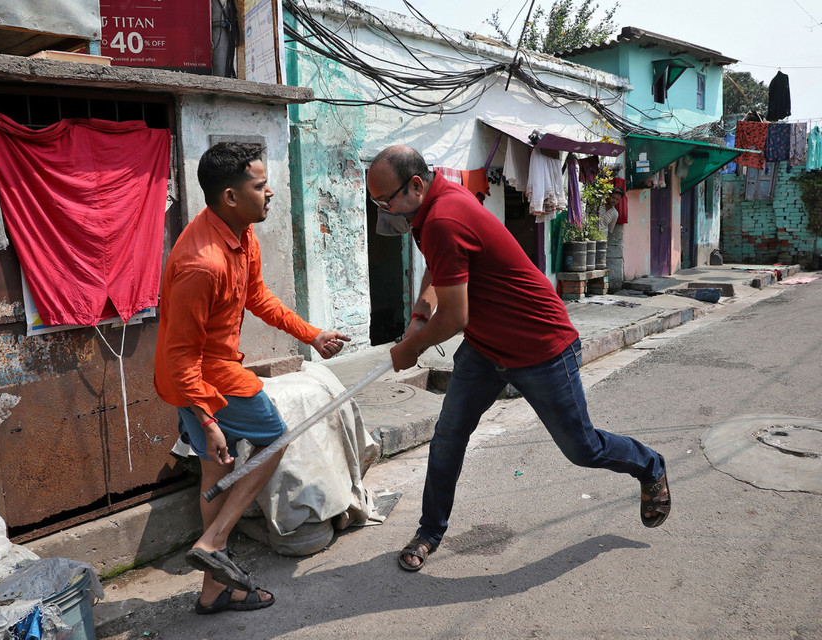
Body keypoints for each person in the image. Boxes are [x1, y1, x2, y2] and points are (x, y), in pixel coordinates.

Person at [365, 145, 670, 573]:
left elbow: (455, 315)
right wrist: (419, 314)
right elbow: (440, 270)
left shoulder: (444, 217)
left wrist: (409, 348)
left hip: (540, 348)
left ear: (416, 184)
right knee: (448, 436)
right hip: (486, 349)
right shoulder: (430, 209)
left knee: (582, 449)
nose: (384, 209)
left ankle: (649, 465)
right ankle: (430, 530)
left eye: (386, 200)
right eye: (377, 202)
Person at [154, 142, 349, 612]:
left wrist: (313, 334)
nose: (271, 193)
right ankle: (213, 543)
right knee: (276, 439)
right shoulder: (203, 263)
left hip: (207, 372)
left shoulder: (241, 234)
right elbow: (180, 356)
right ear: (230, 196)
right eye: (261, 186)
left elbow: (258, 298)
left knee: (216, 472)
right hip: (200, 376)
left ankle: (213, 591)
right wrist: (207, 419)